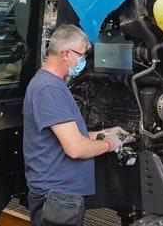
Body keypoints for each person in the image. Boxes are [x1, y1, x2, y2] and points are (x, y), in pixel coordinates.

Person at [23, 24, 128, 226]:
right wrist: (110, 144)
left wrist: (104, 133)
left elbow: (72, 135)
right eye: (81, 55)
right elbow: (76, 148)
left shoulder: (55, 84)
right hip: (57, 197)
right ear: (66, 54)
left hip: (61, 196)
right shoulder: (48, 90)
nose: (83, 60)